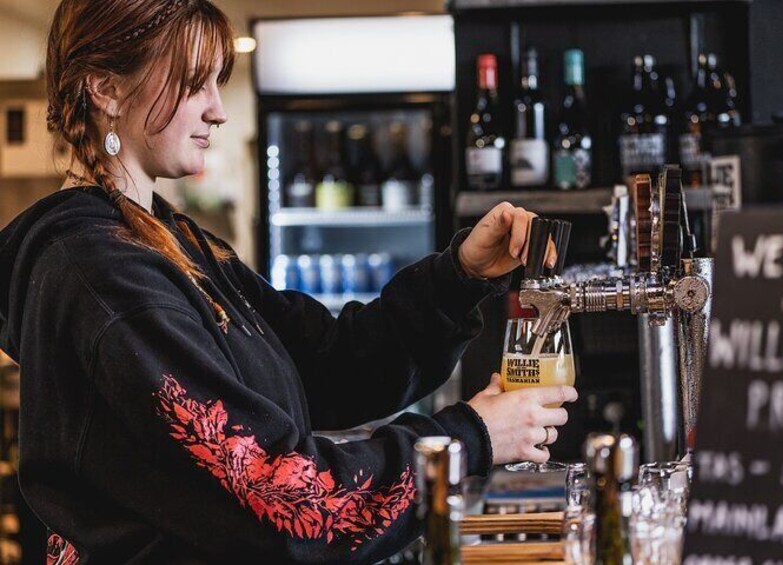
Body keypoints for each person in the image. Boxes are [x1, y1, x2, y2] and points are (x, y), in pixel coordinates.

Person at [0, 0, 577, 563]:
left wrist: (460, 275)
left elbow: (329, 363)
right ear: (106, 87)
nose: (218, 109)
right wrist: (469, 438)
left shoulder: (173, 243)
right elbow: (281, 502)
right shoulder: (102, 274)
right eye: (195, 82)